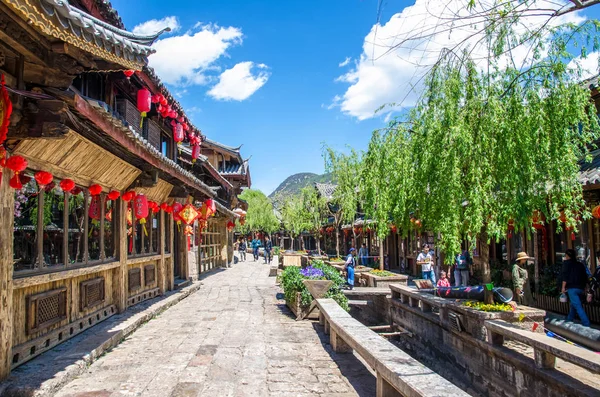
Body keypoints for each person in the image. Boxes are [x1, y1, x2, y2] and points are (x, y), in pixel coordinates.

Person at [561, 249, 591, 326]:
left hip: (572, 288)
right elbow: (585, 276)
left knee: (577, 306)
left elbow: (565, 277)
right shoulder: (580, 264)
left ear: (567, 256)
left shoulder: (567, 264)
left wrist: (563, 287)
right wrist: (586, 287)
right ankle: (569, 319)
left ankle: (586, 323)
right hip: (581, 287)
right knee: (574, 304)